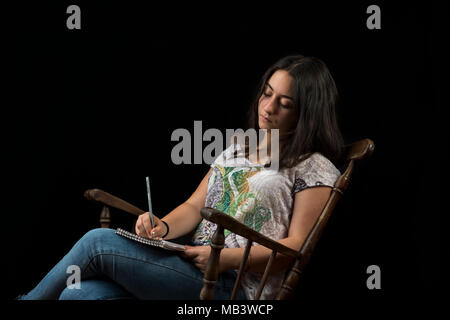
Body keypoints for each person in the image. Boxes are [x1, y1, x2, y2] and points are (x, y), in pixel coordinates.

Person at [17, 54, 345, 300]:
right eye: (267, 93)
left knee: (96, 242)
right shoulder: (238, 149)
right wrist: (163, 227)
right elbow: (192, 207)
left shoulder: (313, 166)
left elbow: (295, 248)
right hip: (190, 266)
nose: (268, 107)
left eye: (284, 103)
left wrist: (225, 260)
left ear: (306, 114)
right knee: (77, 295)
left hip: (234, 287)